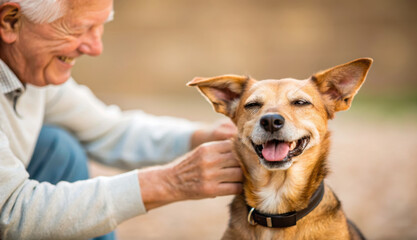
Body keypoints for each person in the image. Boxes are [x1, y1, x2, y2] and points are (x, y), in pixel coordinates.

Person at [0, 0, 243, 239]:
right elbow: (11, 211)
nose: (96, 48)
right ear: (10, 21)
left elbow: (108, 130)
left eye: (100, 26)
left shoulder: (34, 72)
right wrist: (171, 182)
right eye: (79, 29)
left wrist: (201, 137)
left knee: (56, 146)